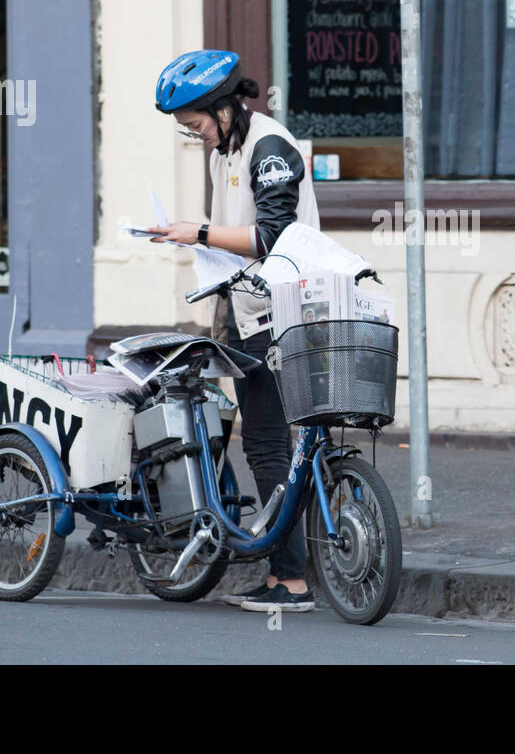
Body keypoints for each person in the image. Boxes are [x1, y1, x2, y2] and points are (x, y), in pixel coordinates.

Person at [148, 49, 320, 612]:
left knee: (270, 445)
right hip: (248, 315)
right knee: (266, 443)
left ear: (224, 109)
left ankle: (290, 581)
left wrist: (195, 232)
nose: (194, 136)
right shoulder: (228, 148)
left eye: (195, 125)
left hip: (279, 317)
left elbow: (271, 236)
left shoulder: (267, 147)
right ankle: (287, 568)